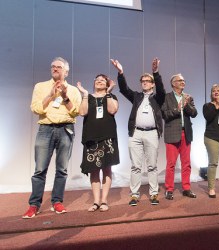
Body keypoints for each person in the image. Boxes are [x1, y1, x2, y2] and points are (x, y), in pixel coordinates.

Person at [22, 57, 81, 219]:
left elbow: (76, 112)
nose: (55, 69)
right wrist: (50, 95)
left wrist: (64, 96)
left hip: (66, 129)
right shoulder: (40, 87)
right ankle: (34, 205)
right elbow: (36, 108)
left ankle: (57, 201)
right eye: (53, 67)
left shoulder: (73, 90)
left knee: (62, 169)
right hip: (45, 129)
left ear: (66, 72)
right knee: (40, 169)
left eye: (59, 67)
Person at [111, 58, 165, 206]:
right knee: (135, 166)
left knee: (152, 165)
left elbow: (161, 89)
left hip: (152, 133)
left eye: (148, 80)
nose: (145, 82)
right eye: (143, 81)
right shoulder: (136, 96)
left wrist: (156, 72)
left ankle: (154, 194)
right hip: (135, 134)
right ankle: (134, 194)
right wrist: (121, 72)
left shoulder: (158, 98)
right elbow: (123, 89)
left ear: (152, 83)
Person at [77, 74, 119, 212]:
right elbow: (82, 112)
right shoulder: (87, 97)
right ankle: (96, 201)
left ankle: (104, 201)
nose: (99, 81)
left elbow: (112, 110)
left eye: (103, 80)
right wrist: (84, 94)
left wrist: (108, 93)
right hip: (91, 137)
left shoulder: (111, 97)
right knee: (93, 171)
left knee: (107, 169)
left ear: (107, 85)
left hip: (107, 136)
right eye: (97, 80)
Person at [162, 73, 198, 200]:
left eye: (184, 80)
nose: (183, 82)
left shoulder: (188, 97)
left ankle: (186, 188)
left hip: (186, 133)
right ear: (173, 83)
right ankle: (169, 189)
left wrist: (186, 104)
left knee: (186, 163)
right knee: (171, 163)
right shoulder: (166, 97)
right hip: (172, 134)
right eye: (180, 80)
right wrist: (178, 109)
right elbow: (165, 115)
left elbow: (194, 113)